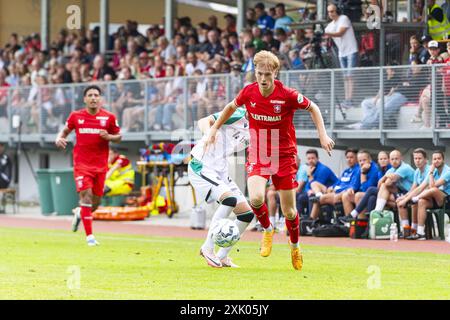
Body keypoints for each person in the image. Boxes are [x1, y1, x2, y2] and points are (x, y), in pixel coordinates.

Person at [204, 50, 335, 271]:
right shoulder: (249, 92)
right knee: (255, 198)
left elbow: (313, 107)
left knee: (290, 212)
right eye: (259, 73)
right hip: (259, 151)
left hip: (284, 154)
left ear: (275, 72)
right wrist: (214, 129)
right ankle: (267, 230)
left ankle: (295, 246)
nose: (263, 79)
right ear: (254, 71)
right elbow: (229, 108)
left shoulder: (288, 94)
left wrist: (322, 134)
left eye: (267, 74)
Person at [55, 85, 121, 246]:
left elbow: (119, 136)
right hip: (81, 165)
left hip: (100, 166)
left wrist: (109, 136)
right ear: (85, 99)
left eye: (96, 95)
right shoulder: (76, 116)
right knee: (86, 196)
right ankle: (90, 237)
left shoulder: (109, 117)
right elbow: (64, 132)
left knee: (96, 203)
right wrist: (59, 138)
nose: (93, 98)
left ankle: (79, 214)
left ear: (100, 99)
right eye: (90, 95)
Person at [189, 109, 253, 268]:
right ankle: (207, 247)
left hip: (220, 169)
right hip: (201, 164)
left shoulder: (259, 127)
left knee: (246, 214)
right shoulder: (239, 113)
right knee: (229, 200)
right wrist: (210, 132)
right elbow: (203, 120)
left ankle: (222, 256)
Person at [407, 150, 450, 240]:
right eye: (434, 159)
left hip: (446, 199)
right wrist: (431, 172)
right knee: (422, 202)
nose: (436, 161)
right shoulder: (433, 171)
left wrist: (430, 172)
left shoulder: (448, 171)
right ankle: (420, 233)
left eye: (439, 158)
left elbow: (433, 186)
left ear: (443, 160)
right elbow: (430, 186)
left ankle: (415, 198)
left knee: (433, 190)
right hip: (435, 197)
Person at [340, 150, 391, 222]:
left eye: (364, 160)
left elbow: (366, 189)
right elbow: (356, 185)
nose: (362, 162)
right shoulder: (361, 168)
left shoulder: (375, 169)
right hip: (372, 193)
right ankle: (349, 223)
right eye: (360, 161)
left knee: (359, 195)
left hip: (375, 193)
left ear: (370, 160)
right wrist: (352, 189)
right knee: (346, 195)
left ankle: (361, 222)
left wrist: (363, 173)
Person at [309, 148, 359, 221]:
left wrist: (336, 189)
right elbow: (338, 182)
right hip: (334, 191)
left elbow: (352, 186)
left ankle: (311, 221)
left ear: (356, 158)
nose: (349, 159)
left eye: (351, 157)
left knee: (318, 200)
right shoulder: (346, 171)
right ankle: (311, 221)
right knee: (314, 183)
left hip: (343, 193)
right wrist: (332, 187)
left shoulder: (357, 170)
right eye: (347, 157)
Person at [324, 3, 358, 109]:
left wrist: (327, 34)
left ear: (337, 11)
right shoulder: (329, 26)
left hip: (351, 50)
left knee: (350, 76)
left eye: (333, 11)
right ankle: (346, 99)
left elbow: (340, 33)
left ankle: (349, 100)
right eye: (329, 12)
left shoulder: (344, 18)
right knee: (345, 77)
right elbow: (326, 36)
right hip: (341, 53)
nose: (331, 13)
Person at [395, 148, 430, 236]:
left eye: (420, 158)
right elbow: (413, 188)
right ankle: (406, 229)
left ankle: (414, 229)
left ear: (425, 160)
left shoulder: (430, 170)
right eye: (415, 158)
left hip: (431, 197)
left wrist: (406, 199)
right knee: (400, 201)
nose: (417, 161)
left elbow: (421, 188)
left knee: (414, 201)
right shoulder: (417, 171)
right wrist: (404, 197)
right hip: (421, 195)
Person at [0, 143, 12, 213]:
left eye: (1, 147)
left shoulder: (6, 158)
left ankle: (2, 207)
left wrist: (8, 180)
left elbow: (8, 171)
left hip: (4, 181)